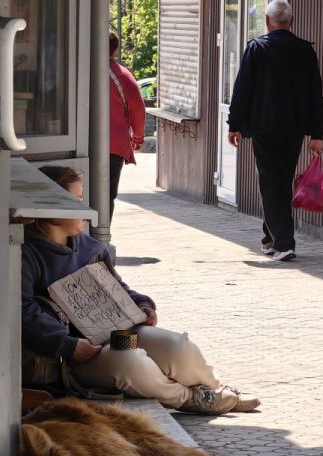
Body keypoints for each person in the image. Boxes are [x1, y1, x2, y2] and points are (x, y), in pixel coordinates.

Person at [22, 166, 260, 415]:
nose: (85, 207)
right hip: (71, 357)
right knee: (130, 362)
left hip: (116, 332)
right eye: (77, 200)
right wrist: (68, 345)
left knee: (177, 346)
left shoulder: (90, 247)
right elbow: (23, 312)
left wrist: (142, 304)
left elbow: (117, 288)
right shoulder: (27, 255)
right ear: (51, 205)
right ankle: (192, 399)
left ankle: (214, 388)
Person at [227, 0, 323, 262]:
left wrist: (234, 124)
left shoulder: (257, 49)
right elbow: (316, 94)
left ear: (268, 22)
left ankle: (284, 243)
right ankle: (270, 239)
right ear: (290, 23)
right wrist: (317, 134)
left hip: (265, 128)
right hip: (293, 129)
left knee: (272, 183)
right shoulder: (305, 51)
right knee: (279, 181)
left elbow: (243, 89)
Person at [109, 31, 147, 221]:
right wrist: (138, 138)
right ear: (115, 50)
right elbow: (138, 110)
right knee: (107, 193)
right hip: (114, 144)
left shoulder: (80, 71)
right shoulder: (123, 75)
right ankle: (101, 236)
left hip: (81, 141)